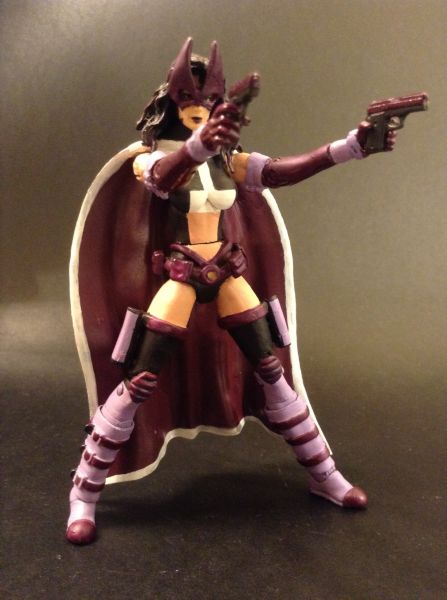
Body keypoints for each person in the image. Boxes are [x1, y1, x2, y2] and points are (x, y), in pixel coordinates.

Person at [66, 38, 396, 545]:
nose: (200, 112)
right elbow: (166, 179)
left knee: (272, 369)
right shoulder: (150, 160)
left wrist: (351, 147)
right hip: (180, 275)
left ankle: (324, 474)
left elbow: (283, 171)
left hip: (225, 271)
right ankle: (84, 493)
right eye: (190, 104)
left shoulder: (230, 161)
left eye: (209, 104)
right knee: (139, 379)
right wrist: (199, 145)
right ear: (173, 107)